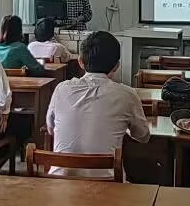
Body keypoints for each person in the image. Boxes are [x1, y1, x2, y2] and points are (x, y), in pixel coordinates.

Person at [45, 31, 150, 178]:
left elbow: (51, 129)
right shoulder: (127, 95)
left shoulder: (61, 89)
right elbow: (143, 136)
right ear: (116, 66)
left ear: (80, 61)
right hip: (107, 185)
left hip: (59, 184)